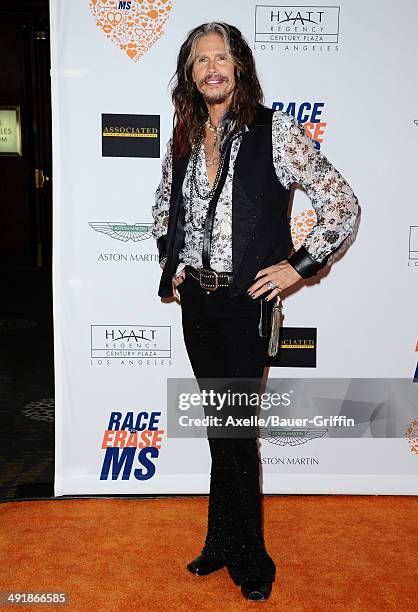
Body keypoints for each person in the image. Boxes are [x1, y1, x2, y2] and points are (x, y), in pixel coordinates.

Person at [152, 22, 359, 602]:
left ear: (238, 67)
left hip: (248, 308)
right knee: (222, 429)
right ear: (190, 75)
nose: (212, 68)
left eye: (221, 58)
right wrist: (174, 261)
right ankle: (221, 540)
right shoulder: (186, 135)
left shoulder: (277, 132)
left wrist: (300, 265)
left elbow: (341, 203)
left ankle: (252, 556)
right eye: (200, 61)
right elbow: (165, 203)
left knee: (238, 433)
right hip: (199, 305)